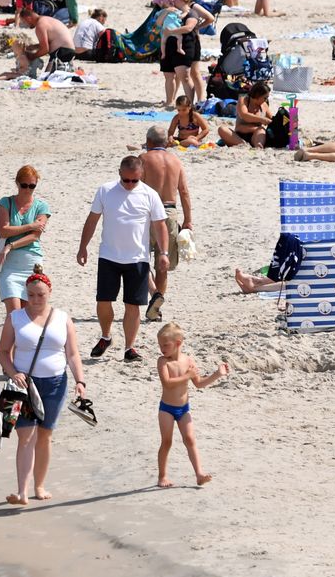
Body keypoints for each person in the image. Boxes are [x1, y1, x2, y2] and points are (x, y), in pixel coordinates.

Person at [0, 268, 89, 506]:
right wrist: (12, 372)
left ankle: (39, 485)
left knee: (45, 435)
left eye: (41, 295)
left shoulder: (62, 318)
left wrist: (80, 380)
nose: (36, 300)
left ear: (50, 292)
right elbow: (3, 352)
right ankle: (22, 491)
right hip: (23, 385)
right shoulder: (15, 318)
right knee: (25, 436)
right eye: (31, 295)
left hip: (55, 383)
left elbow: (73, 353)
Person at [77, 156, 170, 364]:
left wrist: (163, 253)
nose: (129, 185)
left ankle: (130, 347)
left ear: (141, 175)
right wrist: (82, 247)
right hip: (108, 255)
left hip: (137, 258)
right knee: (103, 300)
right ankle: (105, 336)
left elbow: (160, 226)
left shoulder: (150, 195)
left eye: (134, 181)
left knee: (132, 305)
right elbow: (92, 220)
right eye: (126, 180)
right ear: (119, 173)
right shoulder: (105, 190)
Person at [156, 322, 230, 488]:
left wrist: (217, 374)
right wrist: (187, 376)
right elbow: (167, 383)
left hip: (184, 409)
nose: (162, 348)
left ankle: (199, 474)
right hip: (166, 409)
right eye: (160, 345)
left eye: (165, 345)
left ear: (178, 343)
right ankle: (162, 476)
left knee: (190, 440)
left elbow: (199, 384)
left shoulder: (188, 360)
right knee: (166, 442)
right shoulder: (163, 362)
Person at [139, 125, 193, 323]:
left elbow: (135, 188)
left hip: (146, 212)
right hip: (170, 212)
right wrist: (188, 220)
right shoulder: (175, 160)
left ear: (149, 141)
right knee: (163, 263)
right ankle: (156, 308)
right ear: (166, 142)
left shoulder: (143, 159)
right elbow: (184, 192)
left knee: (139, 258)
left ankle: (153, 295)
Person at [0, 166, 51, 314]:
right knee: (14, 313)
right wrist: (31, 225)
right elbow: (3, 230)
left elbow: (34, 236)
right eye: (24, 185)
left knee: (29, 314)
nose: (27, 189)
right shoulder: (5, 202)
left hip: (31, 263)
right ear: (17, 183)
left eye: (32, 186)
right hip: (8, 265)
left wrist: (11, 245)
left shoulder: (41, 206)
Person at [10, 7, 75, 77]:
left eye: (24, 22)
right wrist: (34, 47)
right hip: (68, 50)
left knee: (46, 78)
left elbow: (45, 49)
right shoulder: (46, 19)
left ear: (29, 18)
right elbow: (51, 42)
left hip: (61, 53)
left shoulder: (40, 25)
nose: (26, 25)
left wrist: (31, 56)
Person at [217, 82, 272, 148]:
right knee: (222, 129)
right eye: (265, 98)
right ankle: (244, 145)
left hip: (255, 136)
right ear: (258, 95)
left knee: (261, 130)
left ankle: (258, 146)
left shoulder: (264, 105)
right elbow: (244, 115)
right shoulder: (243, 100)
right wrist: (262, 119)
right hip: (239, 136)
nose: (266, 100)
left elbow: (272, 119)